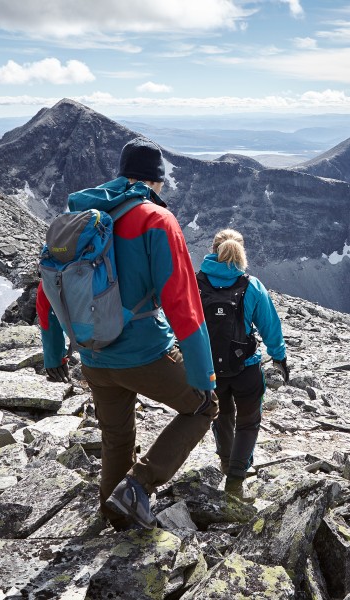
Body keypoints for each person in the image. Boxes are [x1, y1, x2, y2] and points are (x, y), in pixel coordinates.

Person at [36, 135, 218, 530]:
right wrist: (203, 375)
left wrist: (54, 355)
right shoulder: (157, 220)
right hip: (144, 354)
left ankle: (116, 516)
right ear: (157, 181)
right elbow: (182, 304)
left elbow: (48, 292)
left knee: (116, 436)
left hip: (94, 358)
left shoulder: (80, 219)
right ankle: (139, 486)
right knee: (204, 407)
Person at [196, 229, 288, 499]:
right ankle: (236, 480)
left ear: (213, 250)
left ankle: (227, 464)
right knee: (248, 422)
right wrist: (279, 357)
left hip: (210, 368)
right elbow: (270, 326)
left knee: (222, 416)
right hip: (245, 367)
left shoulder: (194, 282)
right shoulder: (252, 285)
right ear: (240, 252)